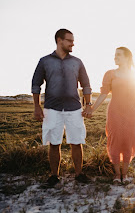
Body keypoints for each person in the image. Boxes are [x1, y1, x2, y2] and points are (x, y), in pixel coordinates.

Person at [32, 29, 93, 186]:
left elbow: (86, 84)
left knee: (77, 141)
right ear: (59, 40)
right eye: (69, 40)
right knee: (54, 142)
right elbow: (36, 84)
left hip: (74, 108)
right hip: (52, 108)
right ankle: (54, 176)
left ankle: (79, 174)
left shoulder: (77, 62)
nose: (73, 43)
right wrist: (37, 107)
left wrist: (88, 105)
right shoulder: (44, 61)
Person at [87, 47, 135, 185]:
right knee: (115, 141)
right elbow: (103, 94)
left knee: (128, 140)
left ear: (127, 57)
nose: (115, 57)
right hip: (115, 112)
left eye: (118, 55)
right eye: (115, 55)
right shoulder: (110, 74)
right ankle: (116, 174)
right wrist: (92, 109)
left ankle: (125, 174)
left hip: (131, 112)